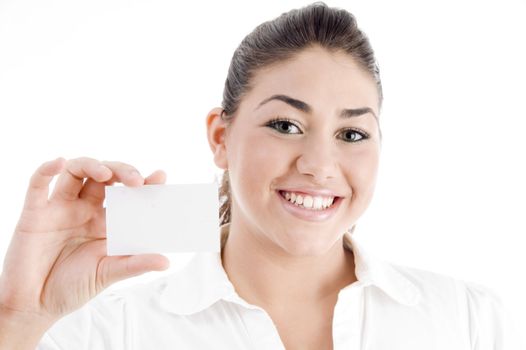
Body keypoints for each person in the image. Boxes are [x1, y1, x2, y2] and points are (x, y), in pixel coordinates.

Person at [0, 2, 520, 349]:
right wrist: (20, 316)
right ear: (220, 138)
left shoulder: (470, 322)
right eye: (285, 124)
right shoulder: (107, 333)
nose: (318, 165)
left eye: (353, 134)